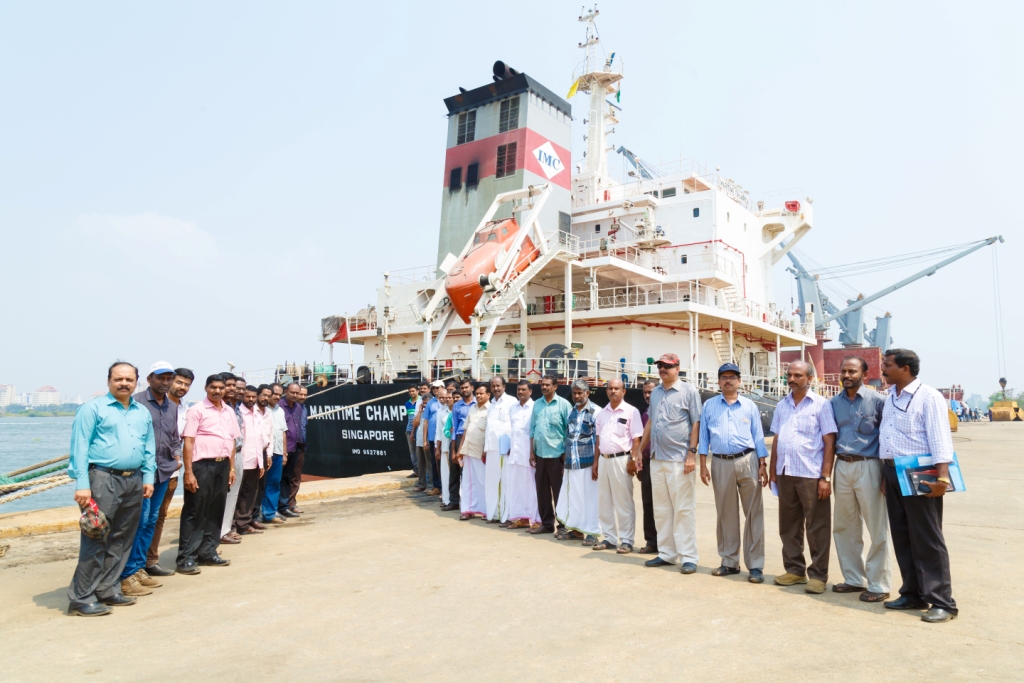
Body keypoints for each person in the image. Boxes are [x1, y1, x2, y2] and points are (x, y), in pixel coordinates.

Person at [66, 362, 155, 617]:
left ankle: (108, 588)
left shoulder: (141, 412)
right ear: (109, 381)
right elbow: (79, 448)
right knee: (96, 537)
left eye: (129, 379)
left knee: (123, 538)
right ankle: (81, 598)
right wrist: (82, 485)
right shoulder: (92, 409)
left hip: (134, 480)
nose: (124, 383)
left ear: (137, 382)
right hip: (103, 478)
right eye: (119, 379)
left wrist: (148, 477)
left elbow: (149, 446)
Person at [879, 349, 959, 623]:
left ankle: (942, 603)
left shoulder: (929, 397)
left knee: (927, 538)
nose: (883, 369)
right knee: (902, 535)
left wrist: (942, 478)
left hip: (920, 472)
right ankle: (912, 593)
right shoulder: (891, 397)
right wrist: (883, 474)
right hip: (892, 472)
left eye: (887, 365)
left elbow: (940, 439)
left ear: (905, 368)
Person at [769, 360, 838, 594]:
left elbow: (830, 443)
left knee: (817, 527)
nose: (792, 379)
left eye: (798, 375)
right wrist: (773, 472)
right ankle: (795, 570)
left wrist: (825, 477)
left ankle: (818, 575)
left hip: (811, 474)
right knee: (788, 526)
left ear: (809, 379)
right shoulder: (782, 405)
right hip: (786, 472)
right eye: (789, 375)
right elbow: (778, 439)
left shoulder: (822, 405)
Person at [698, 363, 769, 584]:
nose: (728, 380)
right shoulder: (709, 406)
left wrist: (763, 464)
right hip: (720, 463)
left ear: (739, 381)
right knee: (726, 515)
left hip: (748, 461)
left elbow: (758, 436)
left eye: (732, 377)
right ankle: (729, 561)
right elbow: (703, 438)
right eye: (724, 377)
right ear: (718, 381)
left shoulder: (749, 406)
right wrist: (703, 465)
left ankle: (755, 565)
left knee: (754, 514)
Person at [830, 356, 890, 602]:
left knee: (876, 528)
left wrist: (886, 474)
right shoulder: (833, 403)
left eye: (852, 371)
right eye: (843, 370)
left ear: (864, 374)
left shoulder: (879, 402)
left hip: (869, 466)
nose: (847, 375)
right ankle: (853, 578)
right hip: (842, 466)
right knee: (844, 526)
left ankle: (878, 584)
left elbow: (886, 439)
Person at [119, 362, 180, 597]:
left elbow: (174, 435)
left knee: (152, 520)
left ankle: (140, 567)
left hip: (163, 471)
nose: (165, 382)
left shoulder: (172, 407)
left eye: (169, 378)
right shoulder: (137, 403)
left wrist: (176, 456)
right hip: (143, 473)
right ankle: (129, 572)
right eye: (160, 378)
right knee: (139, 522)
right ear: (149, 378)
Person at [639, 353, 702, 574]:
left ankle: (688, 556)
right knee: (662, 509)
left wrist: (692, 454)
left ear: (677, 368)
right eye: (660, 366)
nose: (662, 369)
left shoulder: (689, 391)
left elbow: (696, 423)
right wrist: (639, 450)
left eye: (667, 366)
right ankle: (667, 553)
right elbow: (651, 422)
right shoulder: (655, 392)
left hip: (679, 459)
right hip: (657, 458)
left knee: (683, 510)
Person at [176, 373, 241, 574]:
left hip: (222, 466)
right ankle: (186, 557)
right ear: (206, 388)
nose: (217, 391)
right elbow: (188, 441)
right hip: (201, 466)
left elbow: (232, 441)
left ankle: (208, 551)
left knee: (216, 509)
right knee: (195, 510)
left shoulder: (229, 411)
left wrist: (231, 468)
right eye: (213, 387)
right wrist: (188, 472)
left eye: (221, 388)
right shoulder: (197, 411)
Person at [146, 367, 194, 576]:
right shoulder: (146, 404)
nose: (181, 387)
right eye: (179, 382)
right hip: (147, 473)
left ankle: (150, 560)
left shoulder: (184, 408)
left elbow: (179, 438)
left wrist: (178, 461)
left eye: (186, 384)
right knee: (142, 518)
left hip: (170, 472)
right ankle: (133, 566)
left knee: (159, 516)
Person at [593, 378, 643, 553]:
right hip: (604, 460)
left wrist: (633, 459)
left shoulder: (631, 411)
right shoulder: (602, 413)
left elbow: (637, 438)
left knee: (623, 501)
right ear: (606, 391)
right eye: (610, 388)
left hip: (622, 459)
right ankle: (609, 537)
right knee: (604, 501)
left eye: (617, 388)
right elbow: (598, 438)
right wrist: (595, 462)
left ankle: (627, 540)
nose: (613, 391)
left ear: (624, 391)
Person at [555, 380, 600, 545]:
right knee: (574, 497)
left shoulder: (596, 411)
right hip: (572, 462)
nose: (577, 396)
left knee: (590, 497)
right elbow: (568, 436)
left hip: (588, 462)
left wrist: (596, 463)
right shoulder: (571, 411)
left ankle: (593, 532)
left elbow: (599, 439)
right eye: (574, 393)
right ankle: (577, 530)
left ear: (587, 393)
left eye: (580, 393)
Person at [501, 380, 540, 529]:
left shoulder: (535, 407)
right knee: (517, 487)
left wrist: (532, 452)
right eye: (519, 390)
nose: (521, 392)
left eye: (524, 390)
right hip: (515, 453)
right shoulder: (513, 408)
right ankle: (522, 518)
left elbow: (533, 432)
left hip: (529, 453)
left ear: (530, 391)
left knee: (532, 487)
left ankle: (536, 520)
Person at [231, 386, 267, 536]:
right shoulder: (239, 414)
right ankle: (233, 525)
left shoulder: (257, 415)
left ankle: (244, 523)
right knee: (236, 494)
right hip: (242, 460)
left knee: (250, 493)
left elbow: (260, 439)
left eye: (253, 397)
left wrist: (262, 462)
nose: (251, 400)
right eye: (248, 397)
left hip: (256, 460)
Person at [457, 383, 491, 520]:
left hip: (481, 452)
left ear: (488, 395)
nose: (478, 396)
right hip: (468, 450)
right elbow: (466, 430)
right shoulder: (472, 409)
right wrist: (460, 450)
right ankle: (467, 510)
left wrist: (486, 450)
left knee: (483, 482)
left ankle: (486, 510)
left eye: (481, 393)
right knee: (467, 481)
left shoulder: (491, 410)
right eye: (477, 393)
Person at [485, 376, 516, 522]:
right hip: (491, 449)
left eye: (498, 386)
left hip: (504, 449)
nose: (496, 388)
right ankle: (495, 513)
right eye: (493, 386)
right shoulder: (490, 404)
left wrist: (512, 446)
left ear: (504, 386)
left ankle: (507, 515)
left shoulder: (511, 402)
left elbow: (515, 426)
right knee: (492, 483)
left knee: (505, 482)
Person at [220, 376, 247, 544]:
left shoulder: (236, 408)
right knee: (221, 495)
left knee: (233, 495)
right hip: (223, 456)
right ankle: (218, 532)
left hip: (237, 453)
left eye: (240, 388)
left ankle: (226, 529)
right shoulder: (222, 408)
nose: (237, 390)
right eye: (232, 386)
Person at [444, 378, 474, 511]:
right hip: (459, 439)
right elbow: (454, 428)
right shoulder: (457, 406)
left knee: (470, 473)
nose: (464, 390)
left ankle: (471, 503)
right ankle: (454, 501)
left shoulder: (478, 403)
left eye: (466, 387)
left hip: (474, 440)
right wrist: (454, 449)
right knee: (455, 472)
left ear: (472, 388)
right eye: (462, 388)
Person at [261, 383, 289, 525]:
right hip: (264, 453)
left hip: (277, 452)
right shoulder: (261, 410)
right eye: (275, 394)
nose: (277, 397)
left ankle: (270, 513)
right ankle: (258, 513)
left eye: (280, 394)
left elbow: (283, 432)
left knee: (274, 483)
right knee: (260, 484)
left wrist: (284, 453)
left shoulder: (280, 411)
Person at [637, 379, 658, 554]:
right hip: (647, 464)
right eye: (645, 392)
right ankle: (651, 541)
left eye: (650, 392)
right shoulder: (644, 415)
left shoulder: (664, 412)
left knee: (665, 504)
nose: (647, 395)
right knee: (648, 503)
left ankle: (667, 542)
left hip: (662, 462)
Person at [278, 382, 305, 517]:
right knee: (277, 479)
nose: (295, 395)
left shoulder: (298, 407)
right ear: (285, 392)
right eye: (292, 392)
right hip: (282, 449)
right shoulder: (279, 407)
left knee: (288, 478)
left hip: (295, 448)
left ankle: (284, 506)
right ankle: (273, 509)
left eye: (297, 393)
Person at [420, 380, 444, 497]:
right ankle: (437, 486)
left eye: (437, 388)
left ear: (442, 388)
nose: (435, 390)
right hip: (432, 437)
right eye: (433, 388)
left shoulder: (447, 401)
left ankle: (446, 488)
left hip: (444, 437)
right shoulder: (430, 403)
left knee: (445, 463)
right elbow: (426, 421)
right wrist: (424, 439)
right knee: (434, 463)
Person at [287, 385, 309, 514]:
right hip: (288, 446)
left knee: (296, 476)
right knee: (285, 477)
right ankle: (282, 505)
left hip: (300, 446)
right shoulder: (287, 408)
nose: (302, 397)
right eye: (300, 394)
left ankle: (291, 504)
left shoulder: (303, 409)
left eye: (304, 395)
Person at [412, 382, 433, 493]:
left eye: (426, 403)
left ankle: (430, 486)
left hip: (428, 440)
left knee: (429, 464)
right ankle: (422, 484)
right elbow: (415, 424)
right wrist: (420, 411)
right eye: (424, 403)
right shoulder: (420, 408)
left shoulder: (433, 410)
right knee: (421, 464)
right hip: (419, 440)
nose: (425, 405)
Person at [433, 387, 452, 507]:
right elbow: (439, 432)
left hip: (457, 448)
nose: (446, 400)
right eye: (444, 398)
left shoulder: (457, 411)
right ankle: (446, 499)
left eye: (448, 397)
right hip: (445, 447)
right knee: (445, 475)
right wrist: (437, 448)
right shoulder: (441, 411)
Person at [404, 384, 421, 479]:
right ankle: (416, 470)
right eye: (410, 391)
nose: (411, 393)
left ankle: (422, 470)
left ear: (417, 391)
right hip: (409, 430)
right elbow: (410, 418)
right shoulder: (407, 403)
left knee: (420, 451)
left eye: (413, 391)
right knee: (412, 451)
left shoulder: (422, 400)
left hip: (419, 430)